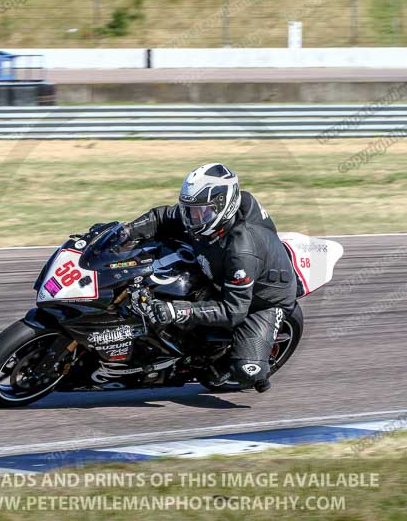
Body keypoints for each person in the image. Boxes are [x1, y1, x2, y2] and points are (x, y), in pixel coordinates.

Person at [123, 163, 297, 393]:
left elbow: (234, 310)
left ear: (223, 206)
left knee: (246, 371)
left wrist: (176, 310)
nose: (192, 218)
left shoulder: (241, 250)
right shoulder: (205, 219)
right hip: (221, 272)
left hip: (259, 302)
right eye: (189, 210)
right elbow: (162, 217)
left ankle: (253, 363)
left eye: (201, 212)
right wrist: (125, 231)